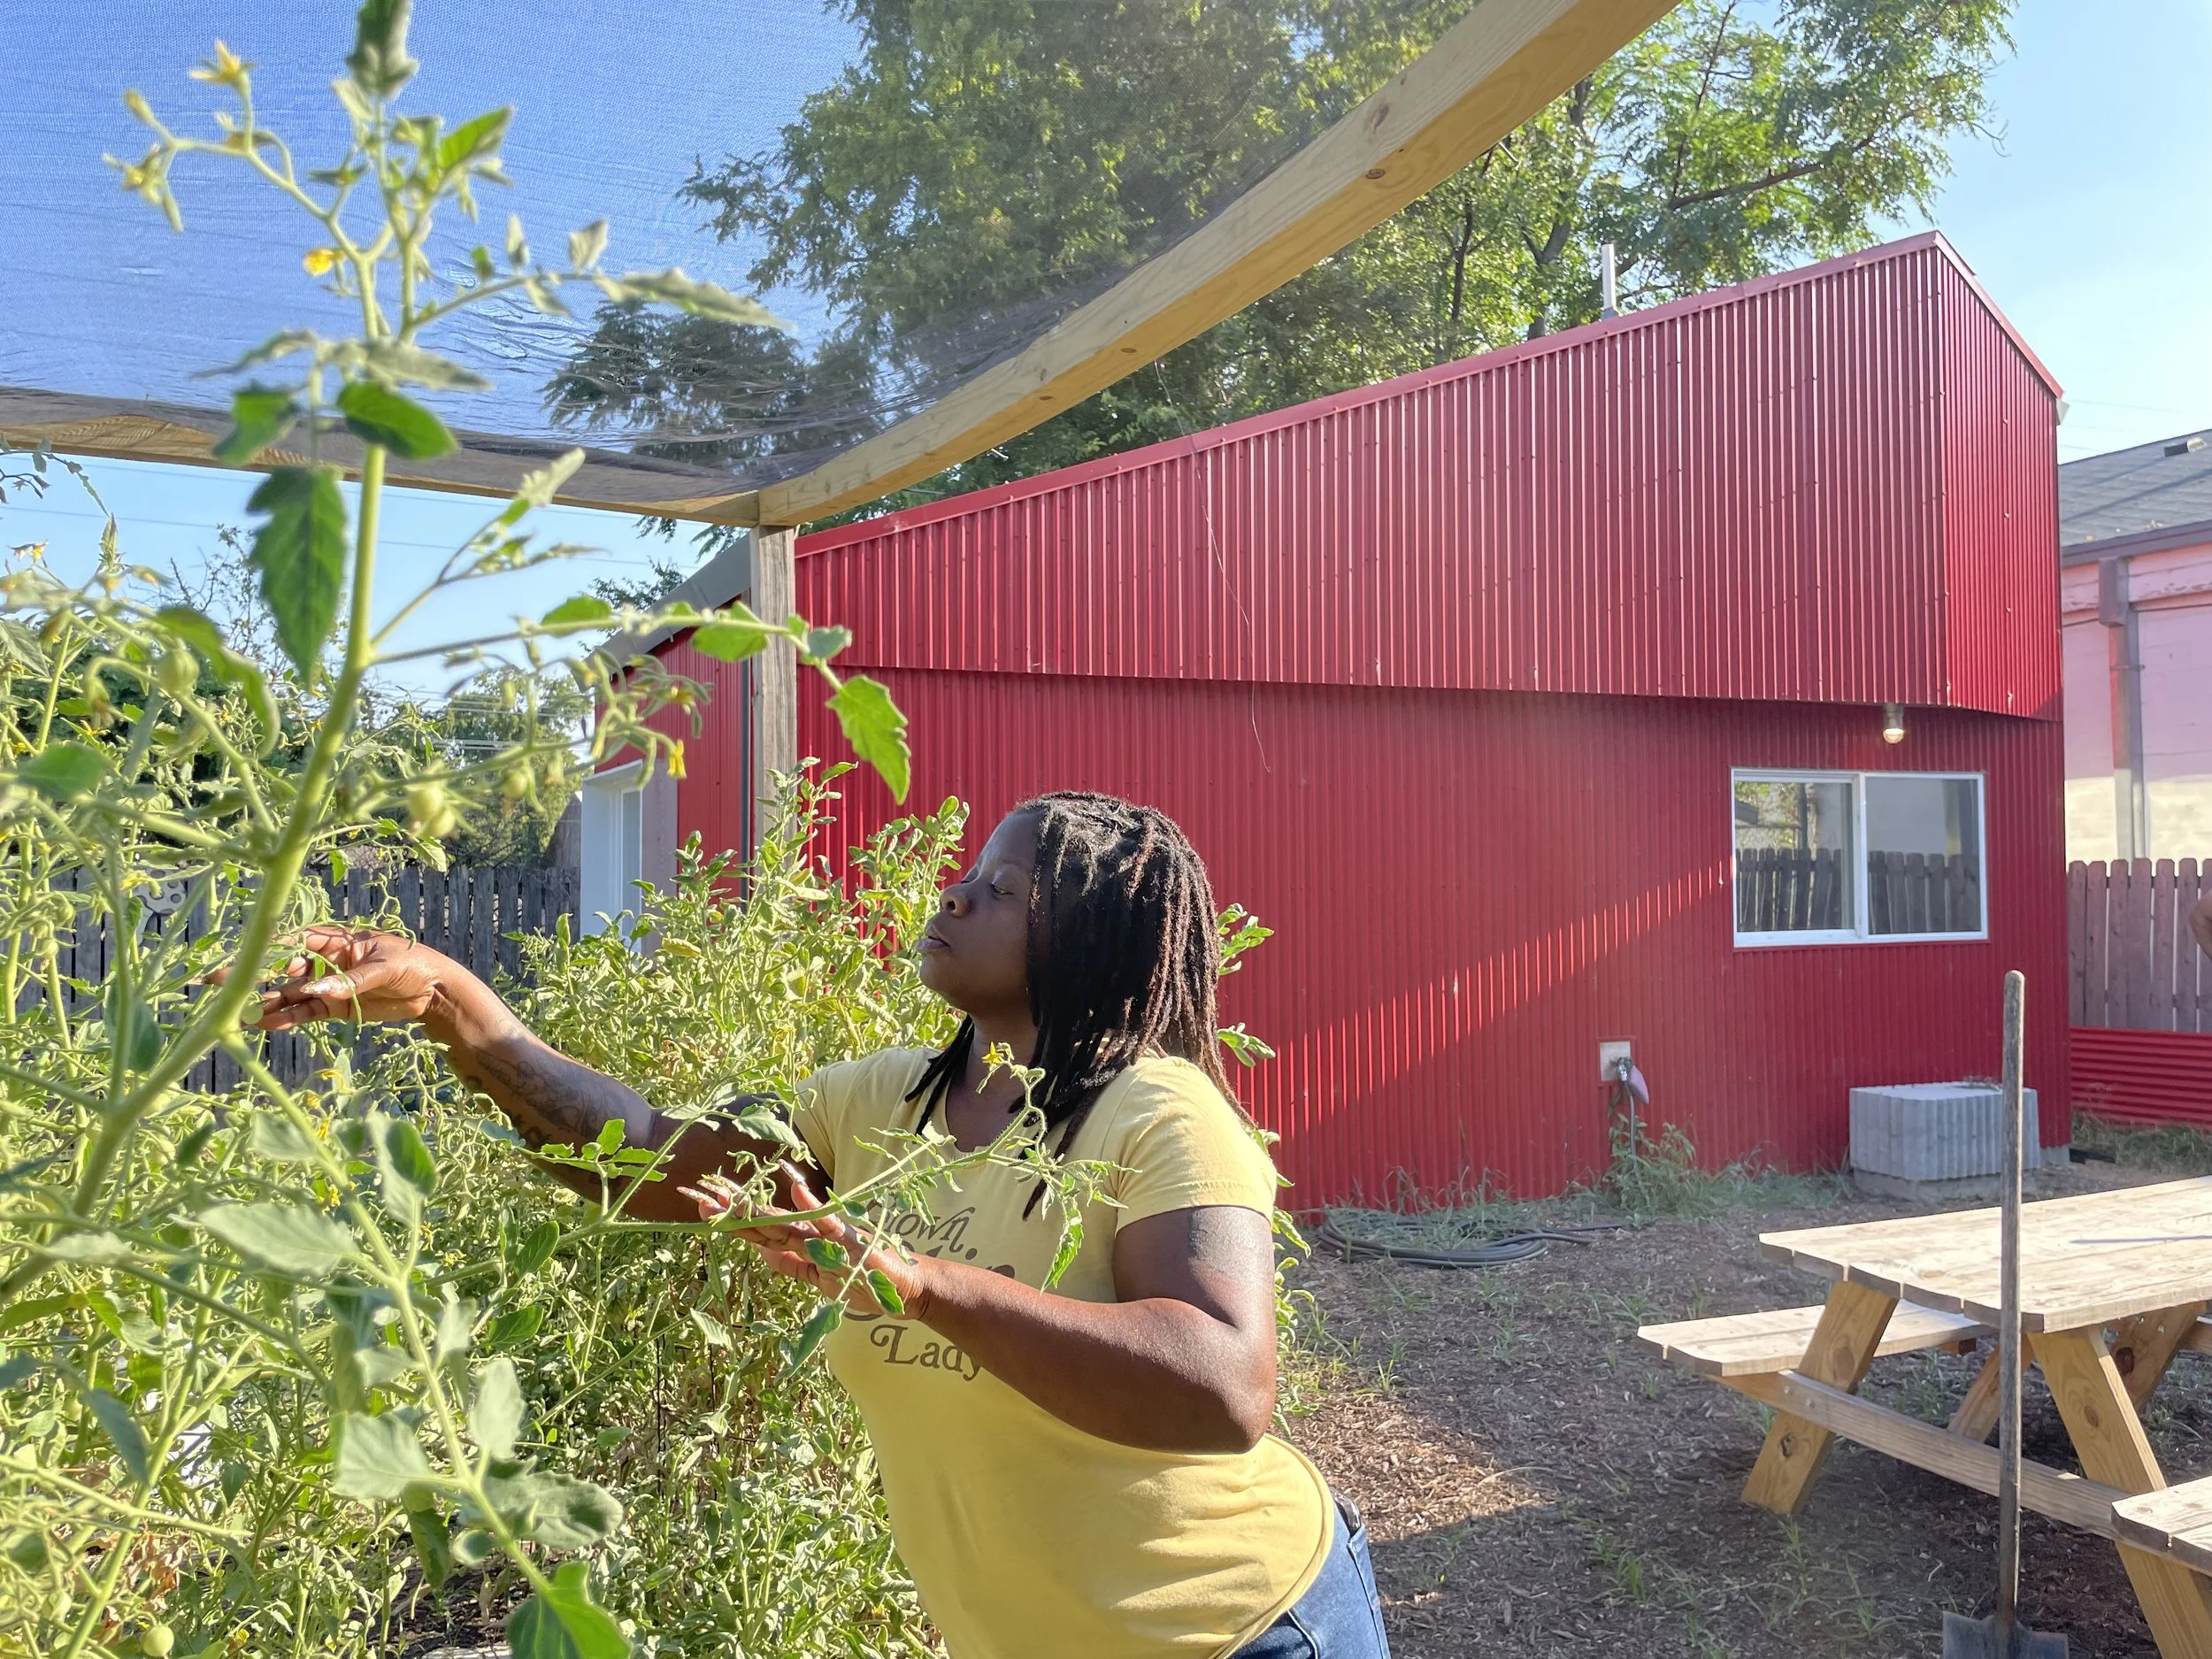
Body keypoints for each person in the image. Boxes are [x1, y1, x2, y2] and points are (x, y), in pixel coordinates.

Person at [253, 791, 1389, 1659]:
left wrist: (930, 1287)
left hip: (1243, 1627)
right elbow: (652, 1163)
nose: (954, 895)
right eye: (965, 874)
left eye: (1002, 888)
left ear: (1094, 933)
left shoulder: (1158, 1108)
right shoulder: (881, 1101)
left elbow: (1221, 1385)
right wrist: (453, 1004)